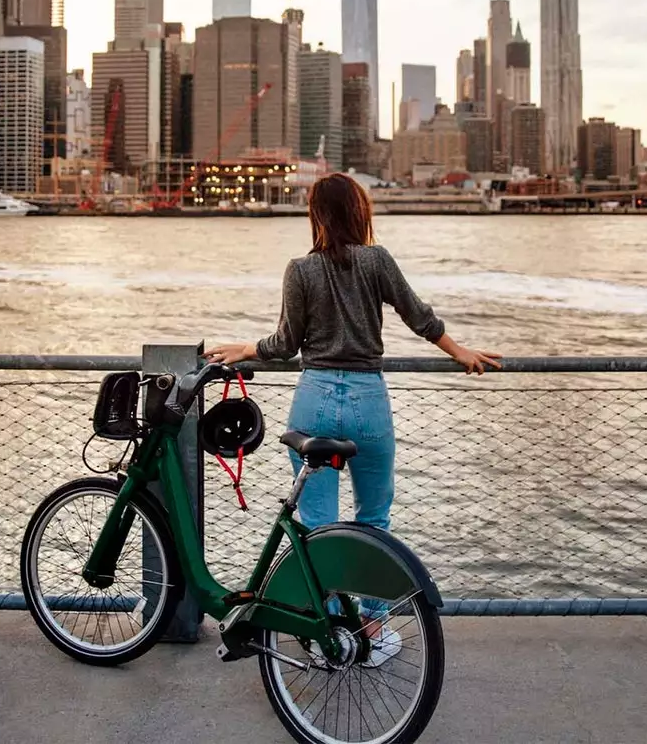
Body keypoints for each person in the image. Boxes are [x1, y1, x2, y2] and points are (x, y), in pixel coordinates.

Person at [205, 172, 499, 663]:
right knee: (374, 521)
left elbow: (285, 345)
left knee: (319, 528)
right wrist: (458, 351)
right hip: (367, 400)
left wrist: (245, 349)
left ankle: (328, 635)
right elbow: (419, 316)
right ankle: (373, 629)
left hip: (315, 397)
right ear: (359, 212)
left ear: (316, 216)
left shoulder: (299, 270)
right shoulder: (377, 260)